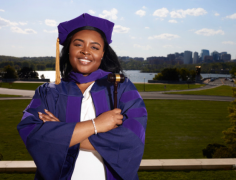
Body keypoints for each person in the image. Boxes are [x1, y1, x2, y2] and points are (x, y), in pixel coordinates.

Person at [17, 13, 147, 180]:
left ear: (102, 53)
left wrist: (62, 133)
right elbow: (33, 135)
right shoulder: (48, 92)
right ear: (68, 50)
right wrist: (96, 125)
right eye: (78, 44)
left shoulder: (120, 87)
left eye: (95, 47)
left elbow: (131, 139)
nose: (86, 51)